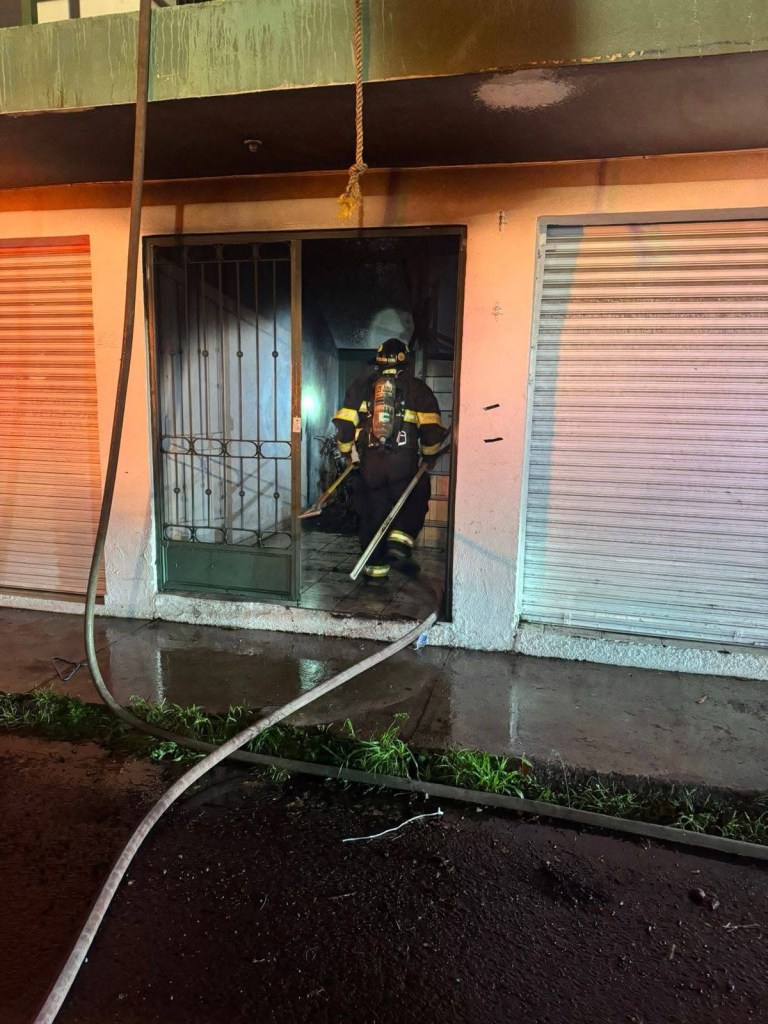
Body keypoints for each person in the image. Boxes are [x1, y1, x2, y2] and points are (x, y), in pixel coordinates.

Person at [333, 338, 446, 580]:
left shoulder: (360, 386)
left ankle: (375, 572)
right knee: (414, 496)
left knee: (373, 513)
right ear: (405, 362)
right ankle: (399, 544)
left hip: (370, 464)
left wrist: (347, 453)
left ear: (379, 362)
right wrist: (429, 457)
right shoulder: (418, 390)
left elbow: (344, 424)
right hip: (403, 464)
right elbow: (432, 431)